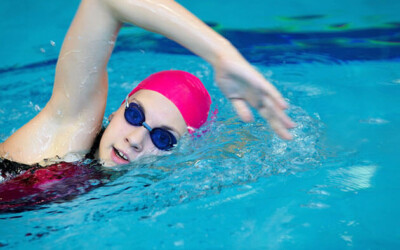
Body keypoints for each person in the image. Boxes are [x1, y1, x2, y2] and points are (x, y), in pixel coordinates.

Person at [0, 0, 295, 169]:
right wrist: (220, 53)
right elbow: (104, 3)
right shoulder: (67, 136)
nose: (136, 139)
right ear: (117, 110)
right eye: (135, 115)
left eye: (163, 140)